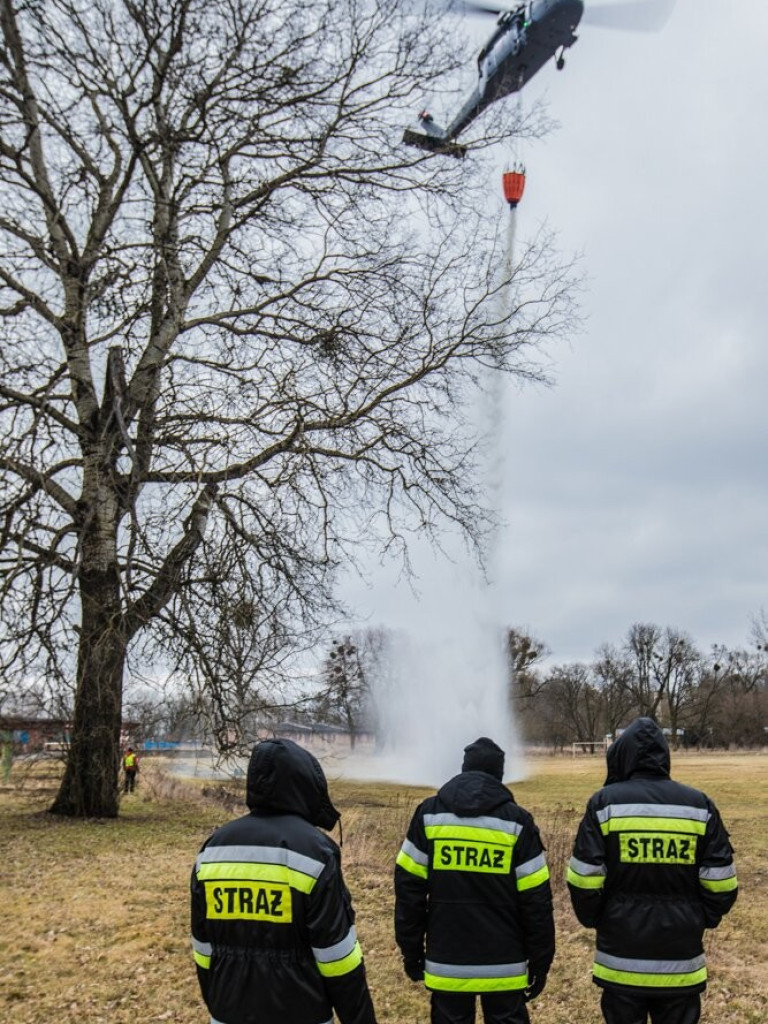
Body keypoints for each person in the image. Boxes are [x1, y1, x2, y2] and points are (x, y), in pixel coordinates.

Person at [190, 737, 377, 1024]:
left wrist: (219, 1003)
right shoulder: (316, 852)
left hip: (227, 1013)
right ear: (304, 785)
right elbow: (338, 958)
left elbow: (203, 948)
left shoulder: (212, 849)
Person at [567, 717, 738, 1024]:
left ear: (622, 756)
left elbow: (583, 879)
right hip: (680, 959)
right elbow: (722, 883)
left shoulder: (604, 804)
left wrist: (598, 918)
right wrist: (700, 917)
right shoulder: (699, 806)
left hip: (620, 958)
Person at [394, 736, 555, 1024]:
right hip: (505, 965)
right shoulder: (517, 822)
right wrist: (540, 960)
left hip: (447, 961)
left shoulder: (429, 816)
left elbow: (409, 893)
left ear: (464, 768)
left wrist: (411, 950)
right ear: (499, 775)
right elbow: (536, 902)